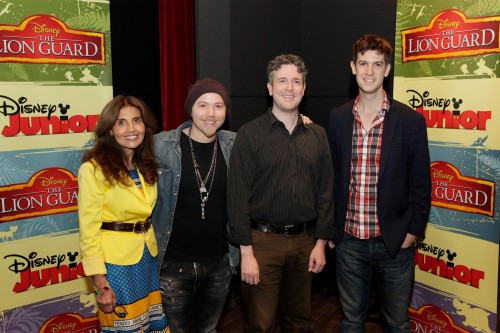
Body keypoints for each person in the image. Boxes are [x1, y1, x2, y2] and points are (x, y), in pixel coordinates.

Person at [327, 33, 431, 332]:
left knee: (397, 323)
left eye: (377, 64)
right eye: (363, 63)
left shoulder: (410, 121)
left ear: (387, 69)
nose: (369, 71)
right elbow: (332, 176)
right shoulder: (338, 118)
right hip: (348, 242)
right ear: (352, 67)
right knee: (351, 322)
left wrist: (413, 231)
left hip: (395, 244)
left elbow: (421, 183)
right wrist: (332, 229)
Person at [227, 54, 338, 332]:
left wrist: (321, 242)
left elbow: (326, 191)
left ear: (304, 88)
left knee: (300, 322)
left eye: (296, 81)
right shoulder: (249, 135)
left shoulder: (318, 135)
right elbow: (238, 196)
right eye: (282, 81)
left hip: (306, 242)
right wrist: (246, 252)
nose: (289, 87)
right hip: (262, 244)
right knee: (260, 325)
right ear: (269, 88)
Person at [153, 78, 239, 333]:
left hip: (219, 263)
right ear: (190, 109)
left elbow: (270, 144)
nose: (211, 114)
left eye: (218, 106)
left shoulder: (234, 144)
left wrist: (300, 121)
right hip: (172, 264)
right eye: (203, 105)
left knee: (209, 330)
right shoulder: (161, 145)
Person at [78, 95, 169, 333]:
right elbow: (88, 231)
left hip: (146, 257)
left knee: (152, 325)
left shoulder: (145, 164)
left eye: (136, 120)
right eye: (121, 122)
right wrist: (100, 285)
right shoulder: (93, 169)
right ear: (109, 130)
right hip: (115, 265)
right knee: (126, 327)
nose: (131, 128)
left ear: (145, 125)